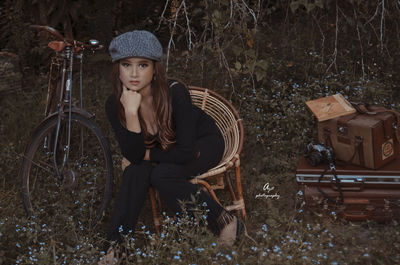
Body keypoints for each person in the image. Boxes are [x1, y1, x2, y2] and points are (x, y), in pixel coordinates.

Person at [100, 30, 242, 263]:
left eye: (143, 65)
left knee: (161, 174)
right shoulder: (114, 105)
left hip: (202, 143)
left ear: (155, 68)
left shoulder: (175, 92)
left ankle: (226, 220)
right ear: (118, 69)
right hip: (167, 150)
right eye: (127, 65)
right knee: (136, 172)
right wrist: (130, 112)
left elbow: (186, 152)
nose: (134, 73)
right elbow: (133, 157)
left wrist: (145, 154)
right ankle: (116, 248)